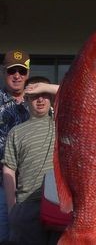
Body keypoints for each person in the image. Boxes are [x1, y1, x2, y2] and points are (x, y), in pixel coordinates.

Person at [2, 76, 61, 244]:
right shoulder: (16, 132)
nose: (40, 99)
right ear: (26, 99)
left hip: (58, 203)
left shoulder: (62, 123)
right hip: (26, 206)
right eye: (35, 95)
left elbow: (75, 94)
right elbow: (9, 170)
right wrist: (12, 207)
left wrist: (45, 86)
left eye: (44, 94)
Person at [0, 50, 31, 241]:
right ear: (4, 72)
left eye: (22, 71)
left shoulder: (38, 101)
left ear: (28, 73)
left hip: (33, 187)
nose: (17, 75)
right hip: (2, 186)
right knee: (4, 236)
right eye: (12, 71)